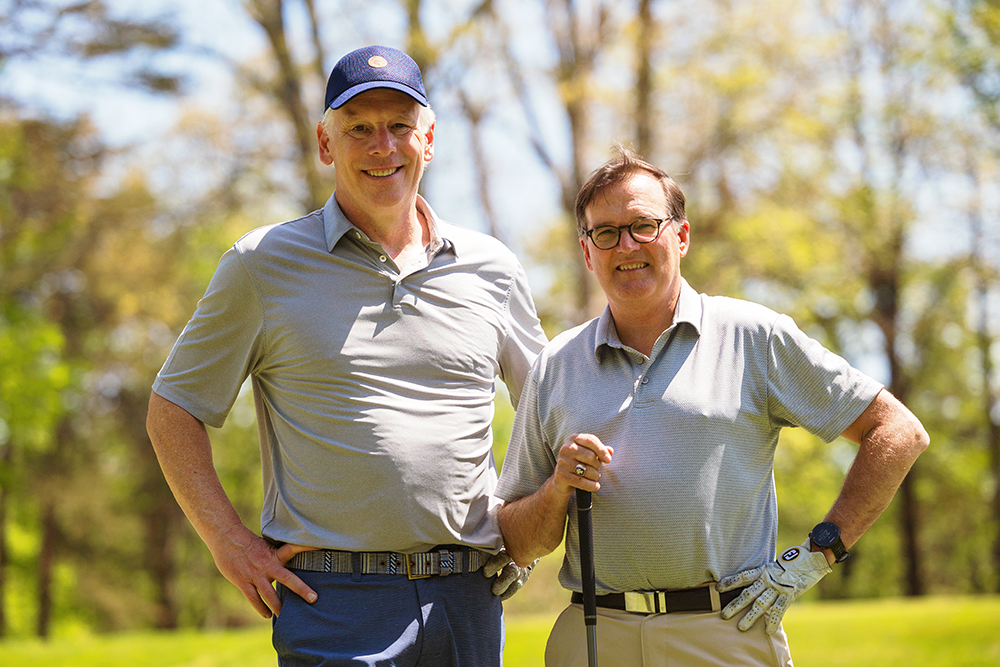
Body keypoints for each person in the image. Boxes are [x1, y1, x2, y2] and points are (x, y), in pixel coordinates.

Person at [146, 45, 547, 667]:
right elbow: (173, 408)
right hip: (334, 600)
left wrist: (521, 532)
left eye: (399, 127)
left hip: (470, 596)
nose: (382, 146)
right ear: (326, 143)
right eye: (359, 128)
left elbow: (545, 407)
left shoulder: (491, 268)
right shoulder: (263, 265)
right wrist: (226, 541)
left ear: (429, 140)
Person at [494, 145, 929, 667]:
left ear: (680, 235)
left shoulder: (752, 335)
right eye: (605, 233)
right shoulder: (555, 364)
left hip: (726, 630)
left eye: (643, 225)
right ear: (588, 253)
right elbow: (518, 544)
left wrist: (817, 554)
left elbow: (898, 432)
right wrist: (558, 487)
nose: (625, 244)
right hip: (592, 636)